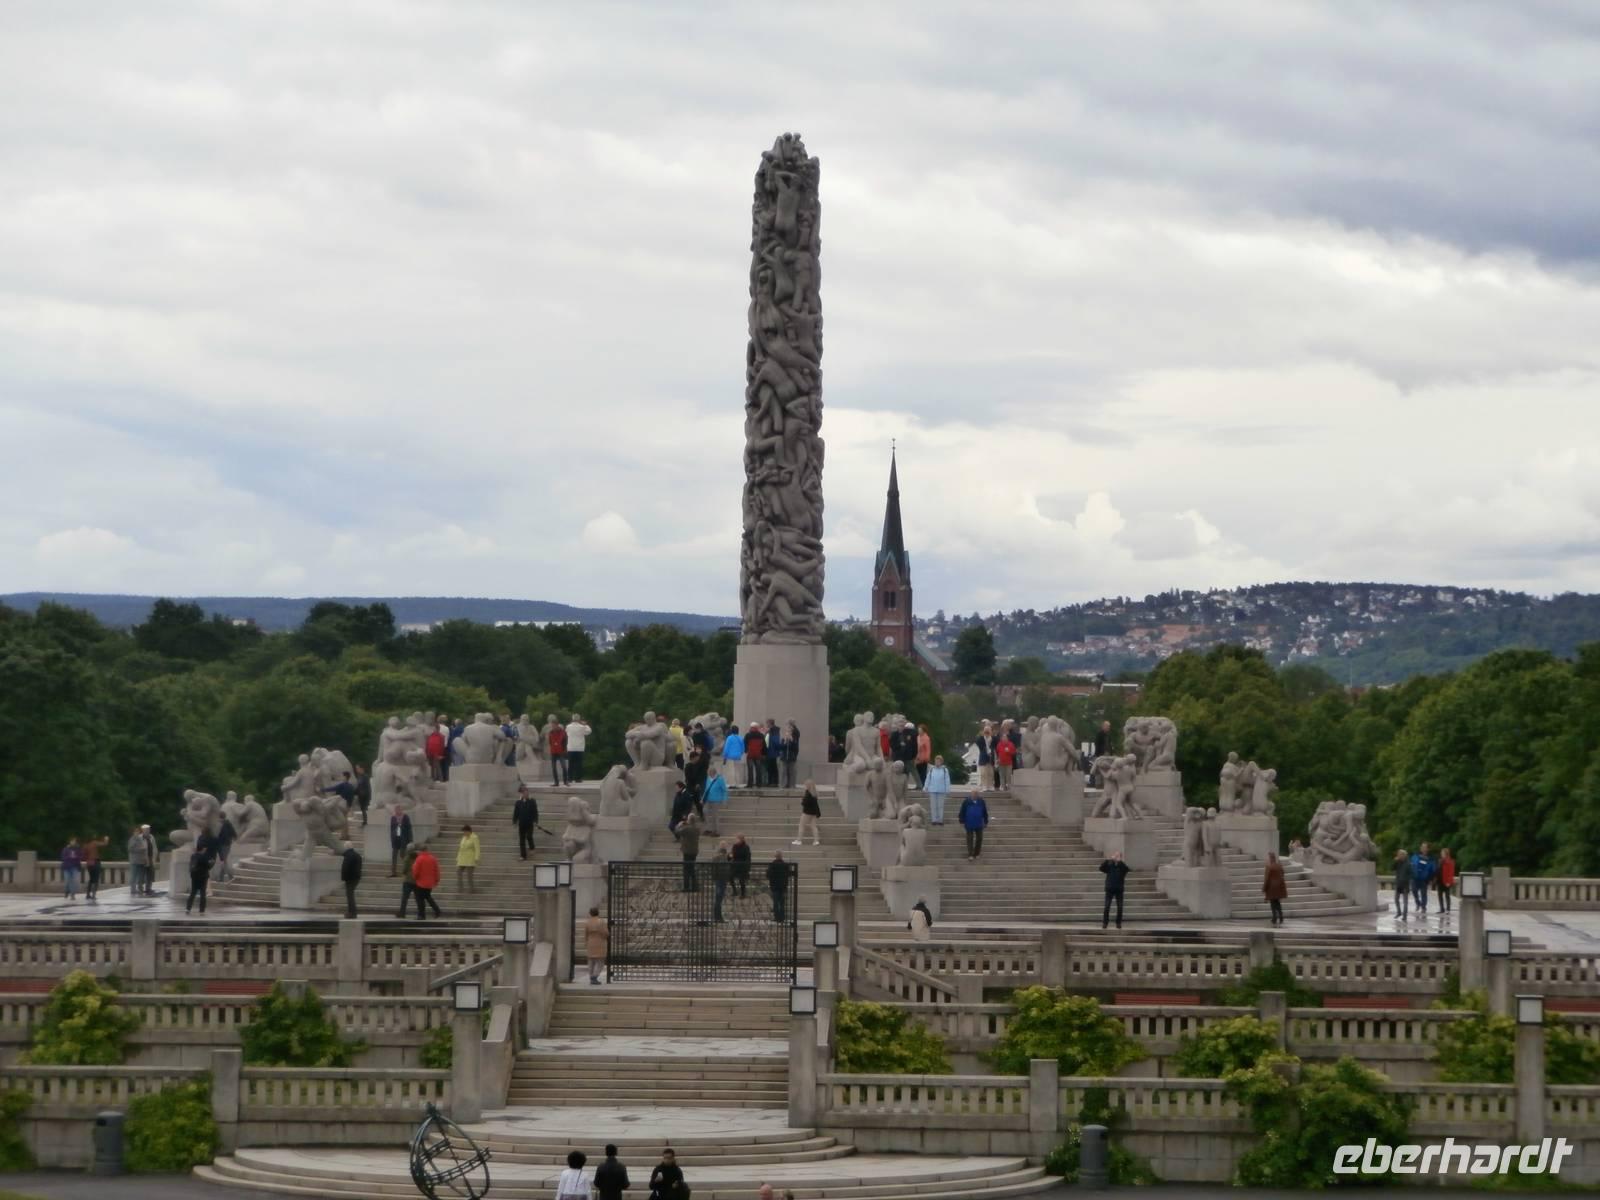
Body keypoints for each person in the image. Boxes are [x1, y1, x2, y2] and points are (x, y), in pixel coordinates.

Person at [411, 843, 442, 920]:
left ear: (420, 851)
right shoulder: (433, 858)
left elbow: (415, 871)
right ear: (427, 850)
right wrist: (437, 879)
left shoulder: (419, 859)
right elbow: (437, 870)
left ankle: (421, 915)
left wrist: (414, 878)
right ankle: (437, 911)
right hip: (430, 883)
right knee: (427, 896)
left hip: (420, 883)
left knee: (419, 899)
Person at [1100, 850, 1130, 929]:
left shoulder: (1122, 866)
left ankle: (1118, 923)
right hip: (1109, 888)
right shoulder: (1110, 865)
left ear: (1120, 857)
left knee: (1120, 907)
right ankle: (1105, 922)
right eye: (1115, 855)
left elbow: (1127, 870)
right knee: (1107, 906)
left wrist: (1120, 862)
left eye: (1118, 856)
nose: (1116, 857)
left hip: (1119, 889)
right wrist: (1107, 860)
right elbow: (1101, 868)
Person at [186, 839, 216, 914]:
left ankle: (188, 908)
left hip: (194, 876)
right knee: (202, 894)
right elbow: (208, 866)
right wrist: (212, 863)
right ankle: (201, 910)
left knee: (193, 893)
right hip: (203, 877)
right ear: (203, 849)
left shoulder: (193, 856)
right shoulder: (204, 857)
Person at [958, 791, 989, 861]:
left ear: (978, 795)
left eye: (976, 794)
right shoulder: (966, 801)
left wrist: (986, 821)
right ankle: (970, 854)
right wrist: (961, 820)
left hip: (979, 823)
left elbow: (985, 812)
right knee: (970, 839)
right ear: (971, 795)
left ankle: (977, 853)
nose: (974, 796)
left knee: (979, 838)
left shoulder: (981, 801)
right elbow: (962, 811)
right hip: (969, 823)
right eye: (973, 794)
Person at [513, 785, 540, 860]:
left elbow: (535, 812)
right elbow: (516, 813)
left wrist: (535, 821)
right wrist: (515, 821)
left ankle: (532, 847)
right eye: (523, 792)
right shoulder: (518, 802)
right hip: (521, 823)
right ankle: (523, 856)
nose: (524, 793)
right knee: (522, 840)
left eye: (526, 792)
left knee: (529, 836)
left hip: (529, 823)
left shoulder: (532, 801)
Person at [565, 713, 592, 783]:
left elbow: (566, 732)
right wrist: (585, 724)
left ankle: (569, 778)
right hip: (579, 748)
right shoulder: (582, 727)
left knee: (570, 764)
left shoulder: (568, 726)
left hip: (571, 748)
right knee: (578, 764)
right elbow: (589, 731)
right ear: (579, 719)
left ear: (572, 719)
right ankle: (578, 778)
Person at [678, 812, 702, 892]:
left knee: (686, 869)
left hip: (687, 851)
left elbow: (677, 831)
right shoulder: (697, 828)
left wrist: (680, 824)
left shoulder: (687, 828)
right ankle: (695, 886)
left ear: (689, 820)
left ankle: (686, 887)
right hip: (694, 851)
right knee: (691, 869)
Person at [924, 756, 951, 825]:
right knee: (933, 806)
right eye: (936, 761)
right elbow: (928, 779)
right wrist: (925, 787)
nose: (937, 762)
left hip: (941, 790)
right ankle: (934, 820)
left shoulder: (945, 770)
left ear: (941, 762)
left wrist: (947, 789)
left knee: (940, 806)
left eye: (939, 761)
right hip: (932, 790)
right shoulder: (931, 769)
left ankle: (940, 820)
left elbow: (947, 780)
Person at [702, 762, 728, 834]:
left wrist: (724, 800)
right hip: (707, 799)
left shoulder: (720, 779)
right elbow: (706, 789)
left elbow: (724, 790)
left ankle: (716, 831)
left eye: (709, 772)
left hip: (716, 800)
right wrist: (702, 798)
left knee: (715, 815)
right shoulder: (708, 778)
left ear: (712, 772)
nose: (708, 773)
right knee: (705, 811)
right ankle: (708, 828)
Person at [585, 905, 608, 984]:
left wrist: (586, 942)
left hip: (590, 942)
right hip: (600, 943)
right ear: (598, 913)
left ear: (590, 913)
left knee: (591, 961)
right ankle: (595, 976)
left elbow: (586, 934)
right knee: (600, 962)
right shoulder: (600, 922)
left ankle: (591, 976)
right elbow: (605, 933)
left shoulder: (588, 922)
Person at [793, 780, 821, 846]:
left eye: (805, 785)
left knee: (801, 825)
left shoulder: (808, 793)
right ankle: (816, 840)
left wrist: (802, 800)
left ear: (808, 786)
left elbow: (805, 803)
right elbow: (816, 805)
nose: (804, 786)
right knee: (813, 826)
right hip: (813, 813)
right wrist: (818, 813)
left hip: (807, 812)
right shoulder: (814, 793)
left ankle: (799, 840)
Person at [1409, 843, 1434, 915]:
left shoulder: (1430, 859)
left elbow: (1432, 869)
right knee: (1414, 891)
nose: (1423, 848)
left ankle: (1423, 907)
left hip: (1424, 879)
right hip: (1414, 878)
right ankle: (1418, 903)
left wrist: (1430, 878)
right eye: (1422, 847)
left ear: (1428, 849)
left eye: (1425, 847)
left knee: (1423, 894)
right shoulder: (1415, 856)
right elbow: (1411, 865)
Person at [767, 850, 792, 923]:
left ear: (775, 856)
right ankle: (782, 917)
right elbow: (788, 874)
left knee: (775, 903)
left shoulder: (772, 865)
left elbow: (768, 875)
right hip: (783, 887)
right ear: (781, 856)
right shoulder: (785, 865)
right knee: (782, 903)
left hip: (775, 887)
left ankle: (777, 917)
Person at [1263, 852, 1287, 925]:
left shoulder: (1269, 867)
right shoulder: (1279, 866)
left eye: (1268, 858)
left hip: (1271, 888)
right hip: (1279, 887)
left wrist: (1264, 888)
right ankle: (1281, 917)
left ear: (1271, 858)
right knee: (1277, 902)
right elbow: (1283, 873)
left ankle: (1274, 918)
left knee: (1273, 903)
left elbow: (1266, 879)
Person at [82, 835, 108, 902]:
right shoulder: (94, 843)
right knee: (96, 879)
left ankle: (88, 894)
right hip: (95, 862)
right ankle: (94, 895)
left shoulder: (86, 845)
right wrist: (106, 839)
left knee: (91, 879)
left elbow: (84, 855)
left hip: (89, 863)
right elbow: (104, 844)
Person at [711, 840, 732, 923]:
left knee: (719, 898)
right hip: (720, 879)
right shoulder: (719, 857)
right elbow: (714, 869)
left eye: (725, 845)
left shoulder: (725, 856)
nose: (724, 846)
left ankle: (718, 917)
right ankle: (717, 917)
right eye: (723, 845)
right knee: (718, 898)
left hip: (721, 879)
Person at [456, 824, 481, 894]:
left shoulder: (474, 837)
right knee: (458, 871)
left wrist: (477, 858)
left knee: (469, 875)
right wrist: (457, 857)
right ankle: (460, 888)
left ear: (468, 831)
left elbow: (477, 848)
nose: (464, 833)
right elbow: (460, 848)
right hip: (462, 858)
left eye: (464, 832)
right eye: (463, 832)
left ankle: (471, 889)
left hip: (470, 859)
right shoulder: (464, 837)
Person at [389, 806, 414, 876]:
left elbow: (409, 829)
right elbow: (391, 829)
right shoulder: (393, 818)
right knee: (394, 856)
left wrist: (411, 839)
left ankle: (407, 870)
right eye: (396, 810)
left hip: (403, 839)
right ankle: (393, 872)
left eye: (398, 810)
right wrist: (391, 838)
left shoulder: (405, 817)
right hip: (395, 839)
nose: (397, 812)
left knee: (402, 855)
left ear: (401, 810)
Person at [340, 845, 363, 918]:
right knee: (350, 895)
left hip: (350, 878)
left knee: (350, 896)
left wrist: (344, 878)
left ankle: (352, 912)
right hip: (356, 878)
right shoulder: (357, 855)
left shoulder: (348, 856)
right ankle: (352, 912)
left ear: (346, 848)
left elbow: (345, 868)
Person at [214, 813, 237, 883]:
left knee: (223, 861)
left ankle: (230, 876)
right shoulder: (228, 823)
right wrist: (231, 839)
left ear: (219, 817)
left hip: (222, 845)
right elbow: (234, 833)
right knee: (224, 860)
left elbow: (217, 836)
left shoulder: (220, 825)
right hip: (227, 844)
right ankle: (221, 878)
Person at [127, 825, 149, 896]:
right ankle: (133, 889)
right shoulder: (132, 839)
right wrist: (140, 849)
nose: (137, 833)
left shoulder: (140, 839)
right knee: (134, 876)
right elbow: (130, 849)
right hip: (134, 861)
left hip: (141, 861)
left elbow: (144, 849)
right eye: (136, 831)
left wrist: (145, 859)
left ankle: (140, 888)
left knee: (141, 876)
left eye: (138, 831)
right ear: (133, 833)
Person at [975, 724, 997, 791]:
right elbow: (978, 743)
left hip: (991, 758)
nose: (987, 732)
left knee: (990, 773)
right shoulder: (980, 739)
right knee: (983, 773)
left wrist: (990, 739)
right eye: (986, 731)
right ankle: (984, 786)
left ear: (991, 731)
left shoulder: (994, 739)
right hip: (983, 758)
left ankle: (990, 786)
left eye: (988, 730)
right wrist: (986, 740)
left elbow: (996, 746)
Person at [744, 722, 766, 789]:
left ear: (752, 728)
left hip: (750, 755)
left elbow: (745, 744)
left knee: (750, 770)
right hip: (758, 755)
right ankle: (759, 784)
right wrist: (764, 754)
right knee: (758, 770)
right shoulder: (761, 735)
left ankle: (750, 784)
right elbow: (764, 746)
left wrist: (746, 751)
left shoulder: (748, 735)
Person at [1392, 848, 1412, 920]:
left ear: (1404, 855)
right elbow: (1392, 868)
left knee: (1405, 901)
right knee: (1396, 899)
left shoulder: (1408, 864)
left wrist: (1407, 880)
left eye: (1400, 854)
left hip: (1405, 885)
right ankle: (1399, 912)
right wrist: (1395, 861)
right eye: (1398, 854)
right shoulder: (1398, 862)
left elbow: (1411, 874)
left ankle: (1404, 915)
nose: (1398, 856)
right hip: (1398, 883)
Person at [548, 718, 569, 786]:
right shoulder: (550, 732)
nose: (553, 727)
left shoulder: (563, 732)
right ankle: (556, 782)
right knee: (553, 768)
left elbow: (565, 741)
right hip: (553, 751)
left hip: (561, 752)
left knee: (564, 766)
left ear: (557, 725)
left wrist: (564, 750)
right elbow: (550, 742)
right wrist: (552, 748)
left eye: (554, 725)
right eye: (552, 725)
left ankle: (565, 781)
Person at [731, 834, 752, 898]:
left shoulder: (746, 847)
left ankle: (743, 894)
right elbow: (732, 854)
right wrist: (729, 856)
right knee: (730, 877)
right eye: (736, 839)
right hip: (735, 866)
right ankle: (735, 891)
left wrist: (747, 867)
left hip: (742, 867)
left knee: (741, 881)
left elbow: (748, 858)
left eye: (737, 839)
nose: (736, 840)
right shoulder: (734, 846)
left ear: (741, 839)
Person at [782, 721, 801, 789]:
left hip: (792, 755)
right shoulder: (784, 737)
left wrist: (791, 740)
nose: (788, 730)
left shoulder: (795, 736)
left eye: (789, 728)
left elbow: (795, 746)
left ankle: (792, 784)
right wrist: (784, 741)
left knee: (792, 770)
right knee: (784, 771)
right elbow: (781, 747)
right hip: (785, 756)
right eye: (787, 728)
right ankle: (785, 784)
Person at [1436, 847, 1456, 913]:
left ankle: (1448, 909)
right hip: (1440, 880)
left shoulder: (1450, 862)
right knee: (1440, 895)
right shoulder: (1440, 861)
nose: (1441, 854)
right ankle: (1442, 908)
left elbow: (1451, 872)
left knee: (1447, 896)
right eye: (1441, 853)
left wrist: (1449, 882)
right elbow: (1438, 870)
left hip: (1446, 881)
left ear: (1446, 854)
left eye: (1442, 853)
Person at [765, 720, 783, 788]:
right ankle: (771, 782)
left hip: (772, 752)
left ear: (770, 724)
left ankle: (774, 782)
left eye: (767, 723)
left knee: (773, 767)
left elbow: (775, 742)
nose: (766, 725)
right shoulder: (771, 731)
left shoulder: (774, 731)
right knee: (771, 768)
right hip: (770, 752)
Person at [141, 826, 158, 894]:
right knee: (142, 874)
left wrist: (154, 858)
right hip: (143, 859)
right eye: (146, 830)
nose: (148, 831)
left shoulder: (151, 837)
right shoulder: (140, 838)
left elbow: (154, 848)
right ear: (143, 830)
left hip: (150, 858)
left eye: (148, 830)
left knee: (150, 874)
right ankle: (140, 888)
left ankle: (148, 888)